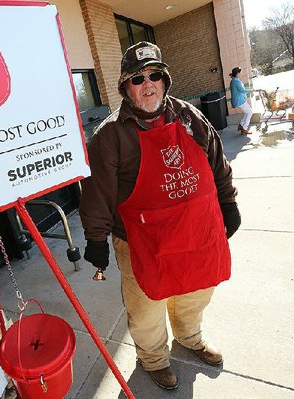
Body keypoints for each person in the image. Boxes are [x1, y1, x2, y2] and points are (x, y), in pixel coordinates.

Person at [79, 41, 240, 390]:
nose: (147, 84)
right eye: (137, 79)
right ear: (126, 87)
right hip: (141, 241)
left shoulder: (189, 117)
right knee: (147, 308)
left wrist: (229, 203)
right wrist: (95, 239)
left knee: (195, 291)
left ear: (165, 81)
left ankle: (189, 337)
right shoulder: (109, 136)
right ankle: (152, 359)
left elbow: (217, 165)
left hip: (195, 232)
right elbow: (97, 193)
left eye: (154, 75)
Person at [229, 67, 253, 135]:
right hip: (239, 100)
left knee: (247, 112)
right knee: (249, 112)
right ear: (237, 73)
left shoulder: (234, 80)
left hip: (240, 100)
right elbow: (243, 90)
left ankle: (241, 125)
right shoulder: (236, 81)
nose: (242, 73)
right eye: (241, 72)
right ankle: (244, 128)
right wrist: (253, 90)